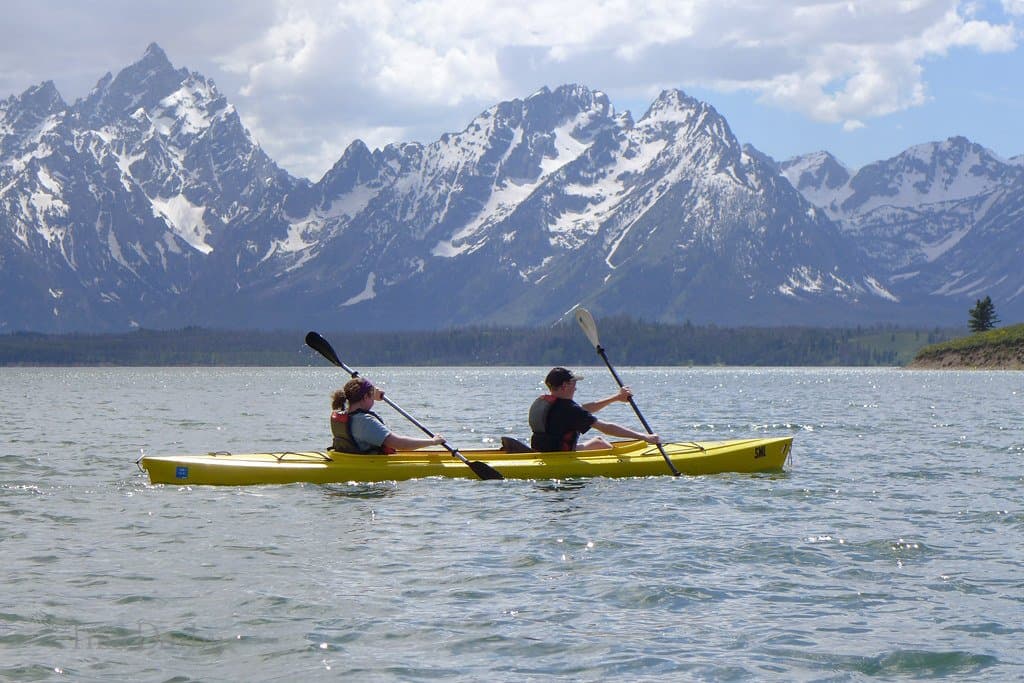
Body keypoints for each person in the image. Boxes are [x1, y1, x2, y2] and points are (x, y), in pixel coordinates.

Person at [529, 367, 661, 451]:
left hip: (544, 451)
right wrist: (644, 437)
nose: (575, 388)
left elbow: (584, 409)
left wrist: (616, 398)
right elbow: (606, 427)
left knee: (598, 442)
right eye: (574, 383)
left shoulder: (544, 402)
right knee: (601, 443)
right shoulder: (570, 410)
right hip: (560, 455)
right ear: (565, 386)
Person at [330, 377, 446, 454]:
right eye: (371, 395)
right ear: (365, 397)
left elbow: (362, 400)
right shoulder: (365, 422)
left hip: (348, 459)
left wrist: (372, 394)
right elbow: (401, 444)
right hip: (370, 466)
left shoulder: (343, 415)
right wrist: (432, 442)